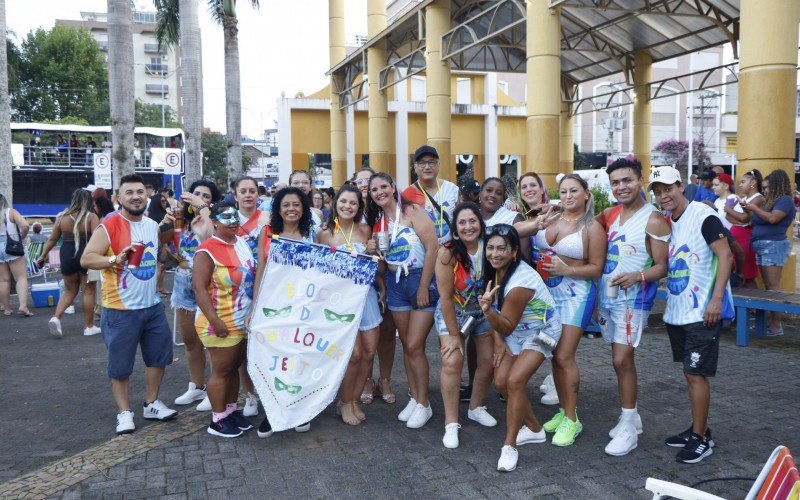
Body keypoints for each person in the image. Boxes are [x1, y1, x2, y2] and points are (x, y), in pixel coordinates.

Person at [81, 174, 178, 435]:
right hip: (120, 310)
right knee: (120, 365)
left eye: (139, 192)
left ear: (147, 195)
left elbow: (158, 254)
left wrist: (181, 259)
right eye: (129, 192)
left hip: (152, 306)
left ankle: (152, 403)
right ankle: (124, 412)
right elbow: (87, 258)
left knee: (158, 358)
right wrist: (114, 259)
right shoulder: (110, 225)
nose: (135, 196)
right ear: (120, 197)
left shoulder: (150, 225)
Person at [649, 166, 734, 464]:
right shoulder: (670, 222)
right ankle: (697, 428)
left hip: (702, 312)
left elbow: (726, 255)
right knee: (689, 373)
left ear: (681, 186)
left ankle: (701, 438)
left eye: (668, 188)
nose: (664, 195)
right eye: (658, 192)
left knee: (696, 375)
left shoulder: (703, 215)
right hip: (678, 312)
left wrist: (717, 298)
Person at [515, 173, 605, 447]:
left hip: (576, 295)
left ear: (586, 194)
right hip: (548, 295)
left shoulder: (592, 227)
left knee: (565, 355)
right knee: (554, 354)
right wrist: (537, 218)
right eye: (563, 191)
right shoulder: (551, 217)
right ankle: (566, 411)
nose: (568, 196)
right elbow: (517, 233)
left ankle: (572, 420)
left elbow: (596, 268)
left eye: (574, 191)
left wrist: (568, 269)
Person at [595, 158, 670, 457]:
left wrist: (637, 276)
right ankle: (632, 417)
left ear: (639, 181)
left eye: (627, 180)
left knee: (622, 359)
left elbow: (662, 266)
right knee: (617, 358)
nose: (621, 187)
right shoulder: (611, 214)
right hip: (609, 297)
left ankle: (628, 426)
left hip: (634, 300)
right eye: (615, 183)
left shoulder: (653, 219)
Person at [478, 224, 562, 472]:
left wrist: (488, 312)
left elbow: (503, 323)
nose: (494, 253)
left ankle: (509, 445)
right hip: (515, 329)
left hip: (541, 331)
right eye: (490, 248)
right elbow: (502, 325)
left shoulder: (520, 282)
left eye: (501, 249)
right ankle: (535, 429)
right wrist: (498, 343)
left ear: (514, 251)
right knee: (501, 381)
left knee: (515, 381)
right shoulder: (494, 272)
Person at [367, 173, 438, 428]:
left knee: (415, 345)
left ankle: (425, 404)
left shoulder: (411, 210)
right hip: (396, 283)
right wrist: (374, 253)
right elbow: (384, 266)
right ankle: (416, 397)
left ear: (393, 187)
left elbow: (433, 247)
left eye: (383, 186)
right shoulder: (379, 223)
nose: (379, 192)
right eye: (374, 189)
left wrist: (423, 286)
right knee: (408, 346)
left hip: (420, 279)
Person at [251, 186, 316, 437]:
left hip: (303, 308)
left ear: (303, 209)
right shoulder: (267, 233)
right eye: (286, 205)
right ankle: (272, 410)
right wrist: (255, 307)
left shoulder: (311, 235)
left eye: (296, 205)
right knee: (273, 360)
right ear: (278, 209)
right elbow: (261, 270)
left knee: (298, 358)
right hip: (273, 307)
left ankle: (299, 410)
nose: (291, 209)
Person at [317, 184, 382, 425]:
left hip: (366, 299)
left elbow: (377, 268)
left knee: (368, 353)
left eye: (353, 203)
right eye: (343, 201)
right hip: (339, 304)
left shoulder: (365, 231)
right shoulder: (324, 233)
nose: (347, 206)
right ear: (335, 204)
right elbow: (319, 272)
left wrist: (374, 253)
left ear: (358, 207)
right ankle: (343, 402)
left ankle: (353, 399)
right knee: (352, 355)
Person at [435, 202, 497, 449]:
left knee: (487, 361)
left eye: (472, 221)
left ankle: (476, 406)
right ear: (455, 227)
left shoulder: (490, 247)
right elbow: (445, 297)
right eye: (462, 222)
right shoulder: (448, 252)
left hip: (482, 311)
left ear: (480, 224)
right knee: (452, 361)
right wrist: (453, 335)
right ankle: (451, 423)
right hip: (454, 311)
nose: (468, 227)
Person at [193, 202, 256, 438]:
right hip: (219, 322)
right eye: (225, 217)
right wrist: (214, 320)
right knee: (221, 370)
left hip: (241, 320)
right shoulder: (207, 250)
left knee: (233, 368)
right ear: (215, 222)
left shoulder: (241, 243)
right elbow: (199, 289)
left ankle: (230, 411)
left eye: (235, 216)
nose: (232, 221)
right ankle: (217, 419)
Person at [168, 180, 220, 411]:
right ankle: (196, 385)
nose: (199, 198)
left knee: (210, 342)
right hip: (182, 282)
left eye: (205, 196)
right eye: (196, 194)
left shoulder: (213, 222)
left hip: (206, 284)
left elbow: (211, 238)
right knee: (190, 340)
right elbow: (167, 253)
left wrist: (202, 209)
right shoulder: (180, 222)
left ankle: (213, 388)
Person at [353, 167, 397, 406]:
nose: (364, 186)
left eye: (368, 182)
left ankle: (386, 379)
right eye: (360, 182)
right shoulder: (350, 213)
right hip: (363, 286)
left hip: (390, 277)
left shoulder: (385, 211)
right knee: (367, 335)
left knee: (388, 333)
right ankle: (367, 379)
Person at [37, 189, 101, 337]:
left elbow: (52, 239)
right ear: (88, 201)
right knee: (88, 291)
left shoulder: (61, 218)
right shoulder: (91, 217)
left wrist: (42, 255)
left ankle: (56, 317)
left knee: (69, 291)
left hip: (66, 255)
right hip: (86, 255)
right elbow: (98, 238)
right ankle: (89, 327)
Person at [742, 169, 797, 336]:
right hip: (763, 245)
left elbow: (773, 218)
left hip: (773, 246)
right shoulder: (770, 201)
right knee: (767, 287)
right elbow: (757, 220)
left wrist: (754, 208)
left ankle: (775, 325)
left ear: (777, 185)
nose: (764, 190)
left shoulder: (785, 200)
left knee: (773, 288)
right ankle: (770, 324)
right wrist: (748, 209)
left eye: (767, 187)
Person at [233, 176, 270, 417]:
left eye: (252, 191)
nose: (248, 195)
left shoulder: (267, 219)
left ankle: (269, 393)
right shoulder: (227, 219)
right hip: (237, 292)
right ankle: (250, 395)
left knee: (266, 346)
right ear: (234, 194)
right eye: (243, 191)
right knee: (243, 348)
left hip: (267, 287)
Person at [407, 145, 459, 244]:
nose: (427, 167)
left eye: (431, 162)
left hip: (450, 252)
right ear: (415, 167)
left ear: (438, 165)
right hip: (423, 254)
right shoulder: (407, 195)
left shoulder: (452, 189)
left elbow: (460, 219)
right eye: (422, 163)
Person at [723, 170, 763, 289]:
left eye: (743, 182)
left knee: (747, 275)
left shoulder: (758, 198)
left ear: (753, 183)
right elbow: (728, 217)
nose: (739, 185)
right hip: (737, 236)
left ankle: (756, 306)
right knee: (739, 273)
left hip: (746, 239)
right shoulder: (742, 198)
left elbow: (745, 218)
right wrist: (738, 219)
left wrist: (729, 209)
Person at [0, 194, 32, 317]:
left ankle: (7, 308)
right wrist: (21, 237)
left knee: (3, 280)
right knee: (20, 277)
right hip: (12, 245)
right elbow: (25, 225)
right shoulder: (11, 212)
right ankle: (23, 306)